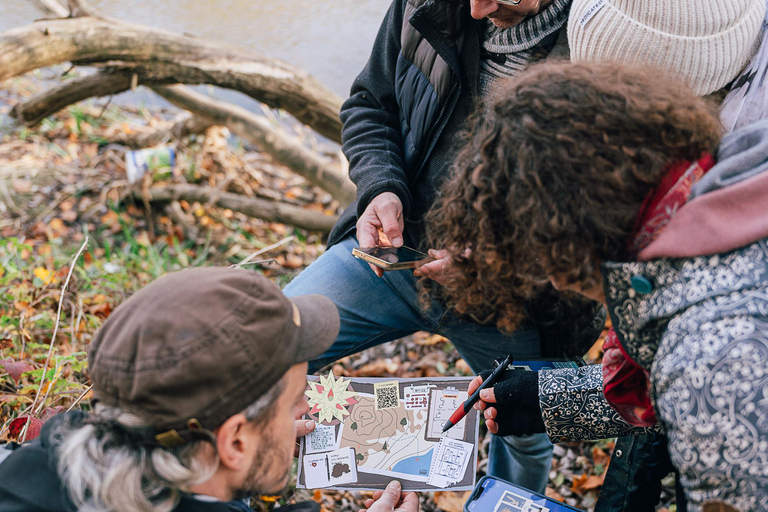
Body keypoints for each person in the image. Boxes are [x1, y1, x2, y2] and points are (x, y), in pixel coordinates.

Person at [283, 0, 606, 494]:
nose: (477, 10)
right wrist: (381, 187)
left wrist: (501, 264)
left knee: (522, 426)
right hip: (391, 263)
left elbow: (608, 224)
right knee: (269, 350)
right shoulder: (425, 4)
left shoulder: (609, 41)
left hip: (512, 306)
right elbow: (370, 103)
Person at [430, 60, 768, 511]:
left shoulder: (709, 362)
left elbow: (702, 391)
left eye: (533, 247)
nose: (548, 277)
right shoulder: (735, 173)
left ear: (568, 232)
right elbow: (667, 388)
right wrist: (545, 400)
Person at [0, 268, 418, 512]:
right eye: (294, 403)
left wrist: (265, 438)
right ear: (234, 440)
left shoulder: (48, 451)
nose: (306, 411)